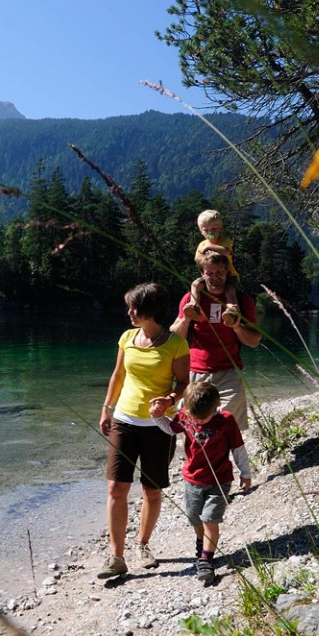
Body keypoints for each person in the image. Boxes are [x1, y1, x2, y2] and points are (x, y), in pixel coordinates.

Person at [96, 282, 190, 579]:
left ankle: (143, 545)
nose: (129, 312)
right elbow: (118, 375)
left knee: (151, 490)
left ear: (148, 311)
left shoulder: (176, 344)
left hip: (158, 426)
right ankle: (116, 557)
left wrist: (171, 400)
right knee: (116, 487)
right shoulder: (127, 338)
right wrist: (106, 407)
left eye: (133, 308)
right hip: (124, 420)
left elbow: (184, 383)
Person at [166, 382, 250, 583]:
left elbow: (238, 448)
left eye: (205, 417)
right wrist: (156, 415)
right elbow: (169, 429)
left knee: (209, 519)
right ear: (187, 409)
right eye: (197, 417)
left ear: (216, 406)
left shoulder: (226, 420)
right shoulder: (185, 416)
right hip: (192, 479)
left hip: (219, 480)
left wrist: (245, 473)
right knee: (194, 518)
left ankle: (206, 559)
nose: (200, 421)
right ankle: (201, 543)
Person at [173, 249, 262, 429]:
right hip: (196, 370)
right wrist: (186, 318)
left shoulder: (242, 301)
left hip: (229, 370)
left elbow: (254, 341)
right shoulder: (190, 300)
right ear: (202, 274)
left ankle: (221, 456)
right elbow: (175, 337)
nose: (215, 277)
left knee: (228, 424)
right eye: (210, 273)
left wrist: (236, 326)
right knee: (192, 424)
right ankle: (196, 456)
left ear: (227, 272)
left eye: (219, 272)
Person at [189, 210, 240, 313]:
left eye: (214, 229)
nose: (210, 232)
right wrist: (204, 256)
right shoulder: (201, 245)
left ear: (220, 229)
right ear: (201, 231)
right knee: (195, 285)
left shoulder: (225, 241)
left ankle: (232, 309)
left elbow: (226, 251)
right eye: (206, 230)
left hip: (229, 274)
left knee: (229, 290)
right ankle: (194, 305)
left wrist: (209, 247)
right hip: (209, 274)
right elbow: (197, 260)